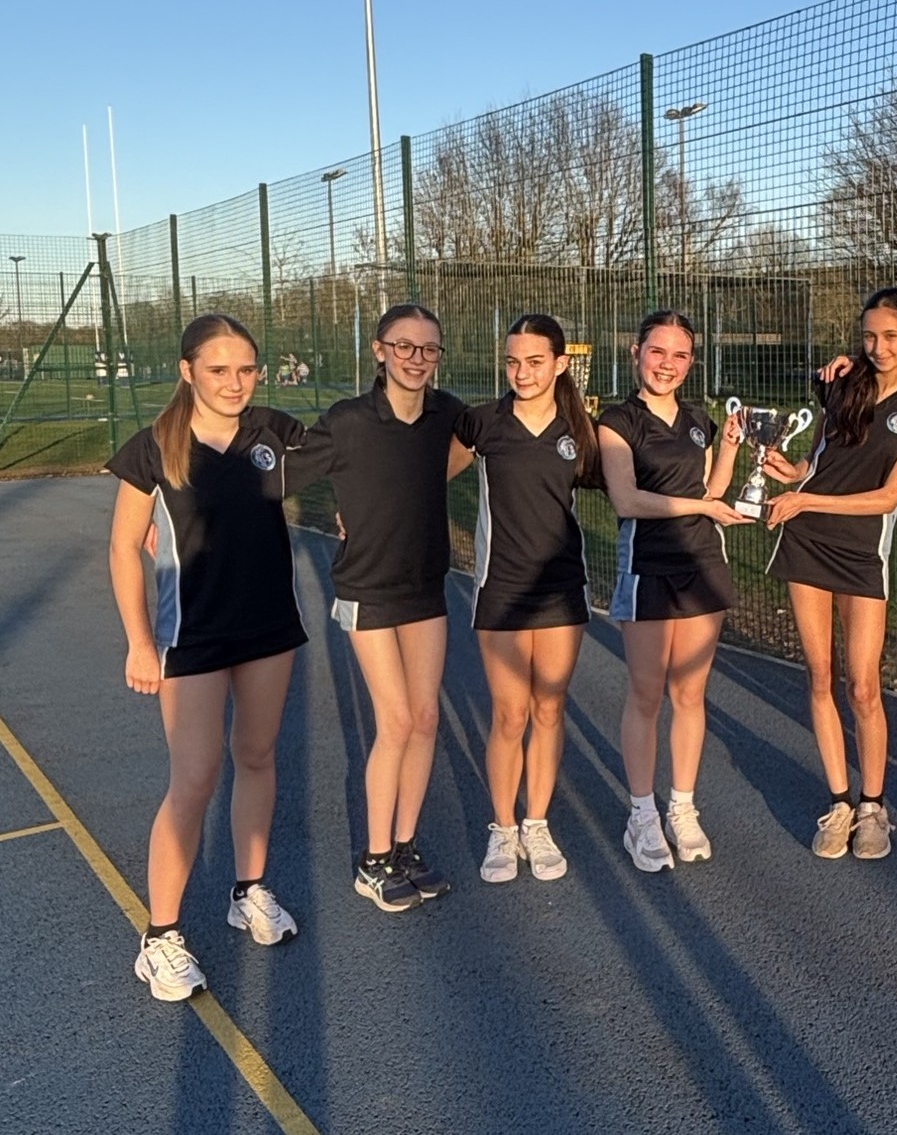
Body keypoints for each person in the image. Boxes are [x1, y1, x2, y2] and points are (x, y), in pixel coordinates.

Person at [107, 313, 306, 1002]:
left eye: (246, 368)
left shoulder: (274, 433)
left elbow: (356, 467)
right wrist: (138, 638)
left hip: (269, 626)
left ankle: (247, 889)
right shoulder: (152, 447)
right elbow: (125, 546)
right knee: (193, 778)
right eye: (218, 369)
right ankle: (160, 936)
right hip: (189, 637)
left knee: (257, 756)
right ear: (188, 370)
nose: (235, 382)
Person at [284, 303, 467, 913]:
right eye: (405, 346)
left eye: (429, 348)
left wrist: (414, 488)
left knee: (424, 720)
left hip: (425, 587)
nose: (417, 358)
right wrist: (171, 506)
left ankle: (408, 847)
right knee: (394, 722)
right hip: (366, 588)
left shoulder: (448, 414)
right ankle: (374, 859)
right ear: (379, 350)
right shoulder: (348, 421)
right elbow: (275, 477)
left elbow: (480, 446)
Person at [763, 287, 897, 860]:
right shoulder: (840, 383)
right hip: (808, 540)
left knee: (863, 685)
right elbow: (821, 461)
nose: (879, 346)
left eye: (891, 336)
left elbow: (889, 496)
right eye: (869, 336)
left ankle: (874, 807)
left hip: (863, 548)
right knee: (820, 676)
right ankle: (840, 802)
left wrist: (805, 500)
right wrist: (791, 474)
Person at [449, 314, 599, 883]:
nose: (522, 372)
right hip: (502, 591)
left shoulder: (579, 430)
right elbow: (420, 480)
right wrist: (363, 515)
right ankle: (502, 828)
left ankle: (537, 823)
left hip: (562, 589)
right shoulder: (483, 423)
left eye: (535, 361)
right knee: (510, 714)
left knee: (550, 708)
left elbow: (643, 479)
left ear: (560, 364)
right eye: (513, 361)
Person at [598, 310, 749, 872]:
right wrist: (703, 508)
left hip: (702, 563)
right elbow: (627, 500)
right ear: (637, 352)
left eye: (679, 355)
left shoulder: (698, 420)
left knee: (690, 694)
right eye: (657, 352)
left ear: (691, 361)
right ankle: (641, 815)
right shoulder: (618, 421)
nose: (667, 364)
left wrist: (729, 446)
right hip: (648, 565)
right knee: (648, 694)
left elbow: (712, 488)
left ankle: (682, 808)